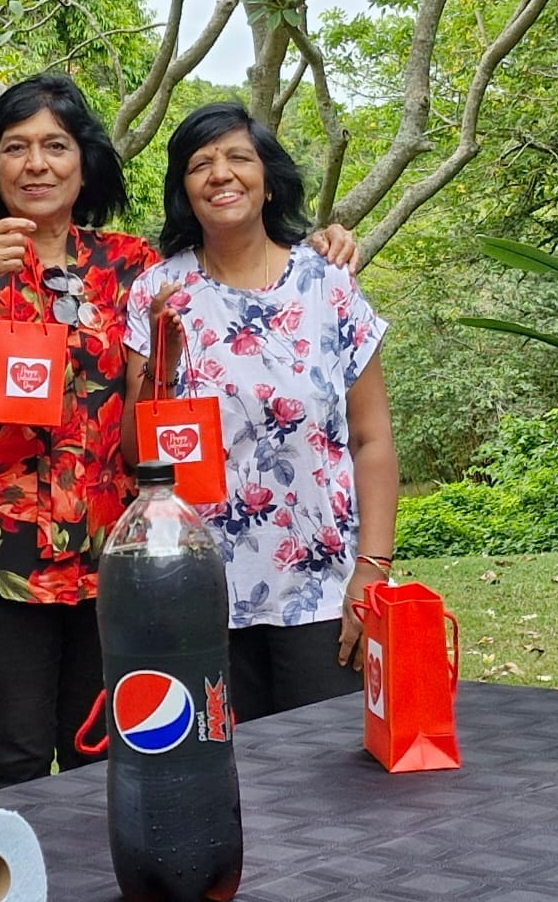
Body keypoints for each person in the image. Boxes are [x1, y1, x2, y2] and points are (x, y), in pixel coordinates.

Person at [0, 73, 359, 793]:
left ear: (84, 162)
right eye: (15, 148)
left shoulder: (129, 266)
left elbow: (219, 293)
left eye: (55, 145)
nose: (36, 164)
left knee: (111, 753)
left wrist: (321, 242)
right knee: (16, 755)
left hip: (119, 554)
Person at [122, 101, 398, 723]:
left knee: (332, 788)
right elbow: (138, 456)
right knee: (225, 782)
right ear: (183, 190)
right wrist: (164, 351)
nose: (220, 174)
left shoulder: (328, 282)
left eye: (237, 158)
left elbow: (372, 439)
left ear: (268, 180)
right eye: (200, 164)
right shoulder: (157, 293)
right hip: (197, 591)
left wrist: (372, 571)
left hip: (324, 591)